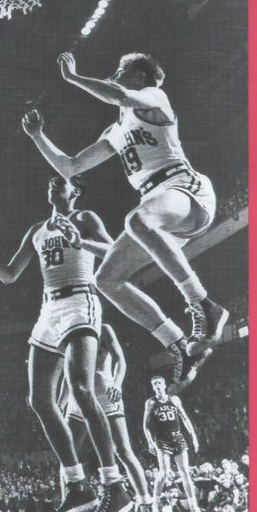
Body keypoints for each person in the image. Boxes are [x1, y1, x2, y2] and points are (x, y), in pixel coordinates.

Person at [22, 52, 226, 391]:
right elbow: (71, 167)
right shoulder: (115, 130)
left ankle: (203, 304)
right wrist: (37, 136)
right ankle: (178, 345)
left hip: (184, 190)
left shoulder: (154, 99)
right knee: (107, 279)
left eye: (124, 69)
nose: (116, 73)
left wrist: (73, 78)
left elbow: (119, 95)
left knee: (138, 219)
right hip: (158, 206)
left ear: (143, 76)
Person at [0, 175, 132, 512]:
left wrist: (82, 241)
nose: (51, 183)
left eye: (59, 181)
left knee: (80, 388)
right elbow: (9, 275)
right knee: (39, 400)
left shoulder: (86, 218)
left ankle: (114, 483)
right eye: (48, 180)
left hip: (81, 300)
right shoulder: (37, 228)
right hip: (49, 308)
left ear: (74, 191)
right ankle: (78, 484)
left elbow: (115, 252)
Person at [59, 324, 154, 512]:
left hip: (105, 393)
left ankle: (146, 504)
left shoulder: (103, 329)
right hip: (77, 399)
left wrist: (117, 384)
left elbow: (121, 360)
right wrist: (60, 403)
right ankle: (70, 508)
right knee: (68, 456)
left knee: (122, 450)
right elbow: (65, 374)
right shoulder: (68, 331)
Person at [143, 376, 203, 512]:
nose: (157, 385)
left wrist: (193, 436)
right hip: (161, 438)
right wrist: (150, 442)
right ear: (153, 387)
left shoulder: (174, 399)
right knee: (164, 472)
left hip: (177, 436)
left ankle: (194, 507)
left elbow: (185, 418)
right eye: (154, 383)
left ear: (164, 385)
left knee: (185, 472)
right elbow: (145, 425)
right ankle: (155, 506)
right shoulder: (151, 402)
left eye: (159, 383)